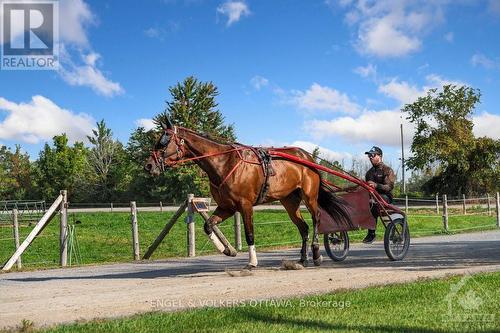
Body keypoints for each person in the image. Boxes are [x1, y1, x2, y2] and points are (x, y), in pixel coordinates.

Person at [362, 146, 395, 244]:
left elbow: (389, 187)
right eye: (369, 156)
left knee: (373, 202)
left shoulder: (387, 170)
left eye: (372, 155)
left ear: (379, 156)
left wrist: (376, 185)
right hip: (372, 197)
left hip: (386, 197)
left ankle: (371, 233)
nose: (370, 157)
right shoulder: (369, 173)